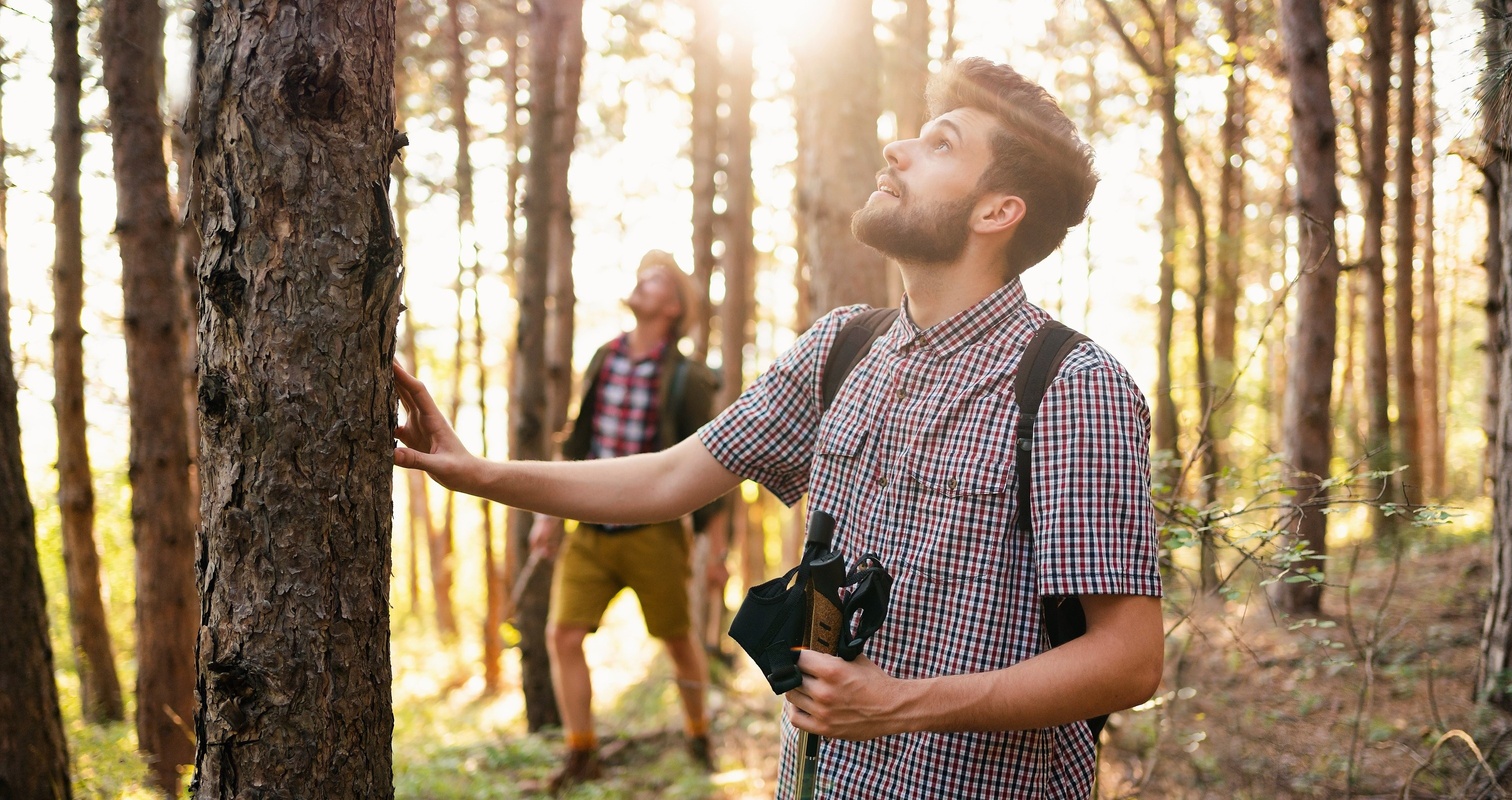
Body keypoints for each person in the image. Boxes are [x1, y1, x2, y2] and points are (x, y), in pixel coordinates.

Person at [396, 57, 1163, 799]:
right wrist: (477, 472)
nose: (897, 148)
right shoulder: (841, 347)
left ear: (998, 211)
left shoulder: (1073, 386)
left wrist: (902, 702)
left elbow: (1128, 662)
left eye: (941, 144)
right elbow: (670, 476)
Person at [528, 252, 728, 791]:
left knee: (678, 639)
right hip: (589, 531)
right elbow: (577, 443)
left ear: (674, 306)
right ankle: (580, 753)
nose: (646, 278)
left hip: (654, 534)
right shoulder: (604, 357)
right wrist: (549, 515)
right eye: (643, 274)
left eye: (660, 278)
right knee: (563, 635)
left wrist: (719, 550)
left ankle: (698, 733)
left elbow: (711, 465)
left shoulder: (685, 377)